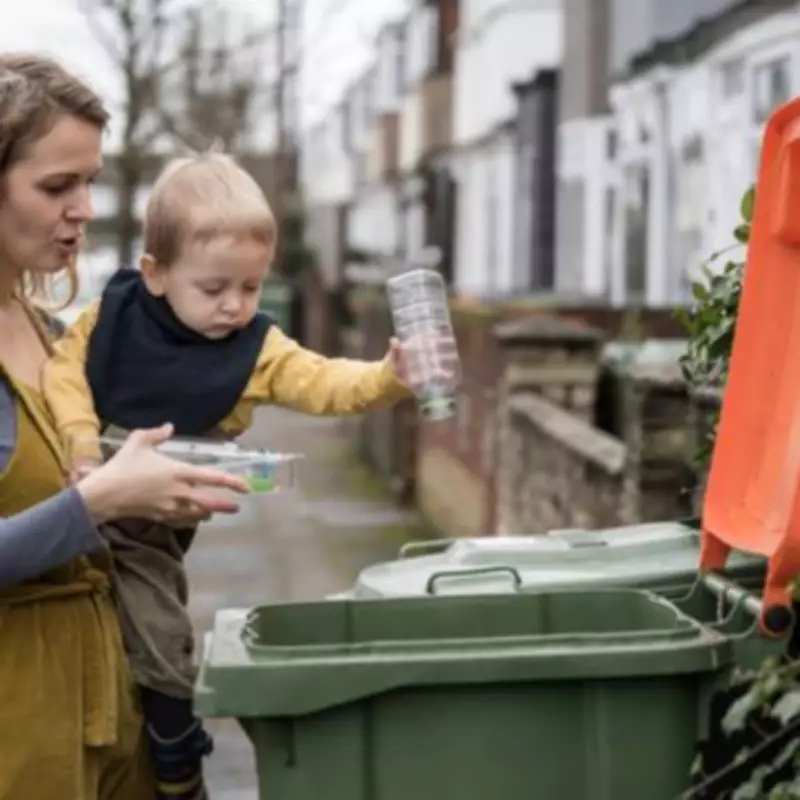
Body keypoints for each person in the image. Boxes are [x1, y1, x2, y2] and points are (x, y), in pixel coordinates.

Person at [42, 151, 413, 800]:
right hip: (72, 494)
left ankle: (177, 758)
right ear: (155, 274)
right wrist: (80, 442)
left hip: (145, 535)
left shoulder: (258, 349)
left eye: (250, 286)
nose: (235, 307)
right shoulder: (112, 314)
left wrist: (388, 378)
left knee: (162, 638)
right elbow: (62, 374)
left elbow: (325, 381)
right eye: (213, 289)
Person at [0, 53, 251, 800]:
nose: (83, 207)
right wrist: (101, 500)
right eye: (56, 186)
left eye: (89, 181)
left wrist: (162, 489)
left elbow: (101, 517)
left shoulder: (56, 334)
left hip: (115, 713)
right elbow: (86, 505)